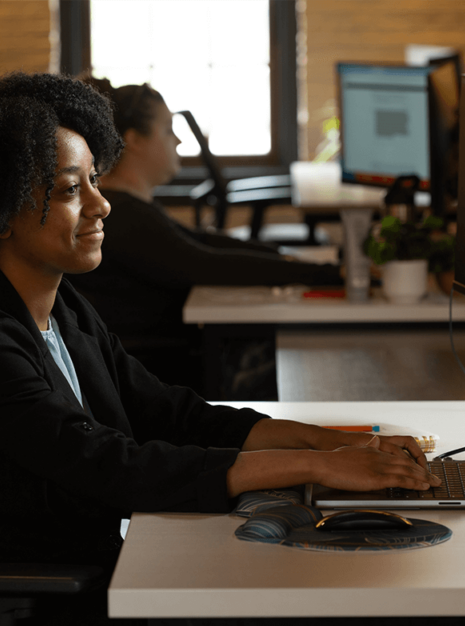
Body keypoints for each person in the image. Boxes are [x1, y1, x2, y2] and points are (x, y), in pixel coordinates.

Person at [0, 72, 439, 626]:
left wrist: (329, 441)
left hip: (103, 567)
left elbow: (170, 412)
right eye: (70, 190)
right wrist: (316, 466)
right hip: (48, 607)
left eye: (95, 181)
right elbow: (111, 465)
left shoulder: (63, 309)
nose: (102, 204)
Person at [66, 78, 343, 397]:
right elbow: (206, 263)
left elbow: (202, 240)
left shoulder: (133, 207)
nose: (180, 141)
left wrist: (287, 257)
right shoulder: (124, 214)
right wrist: (327, 274)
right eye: (169, 130)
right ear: (134, 141)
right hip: (159, 374)